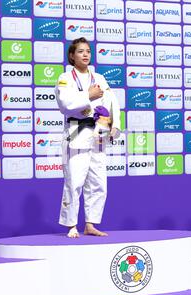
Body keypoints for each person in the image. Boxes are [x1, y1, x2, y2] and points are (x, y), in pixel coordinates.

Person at [55, 37, 121, 238]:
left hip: (99, 133)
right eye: (81, 51)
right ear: (72, 56)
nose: (85, 55)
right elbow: (65, 104)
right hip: (77, 130)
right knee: (74, 180)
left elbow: (112, 102)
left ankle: (91, 224)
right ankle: (71, 224)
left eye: (88, 51)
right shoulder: (65, 78)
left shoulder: (99, 78)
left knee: (98, 181)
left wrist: (114, 124)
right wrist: (88, 96)